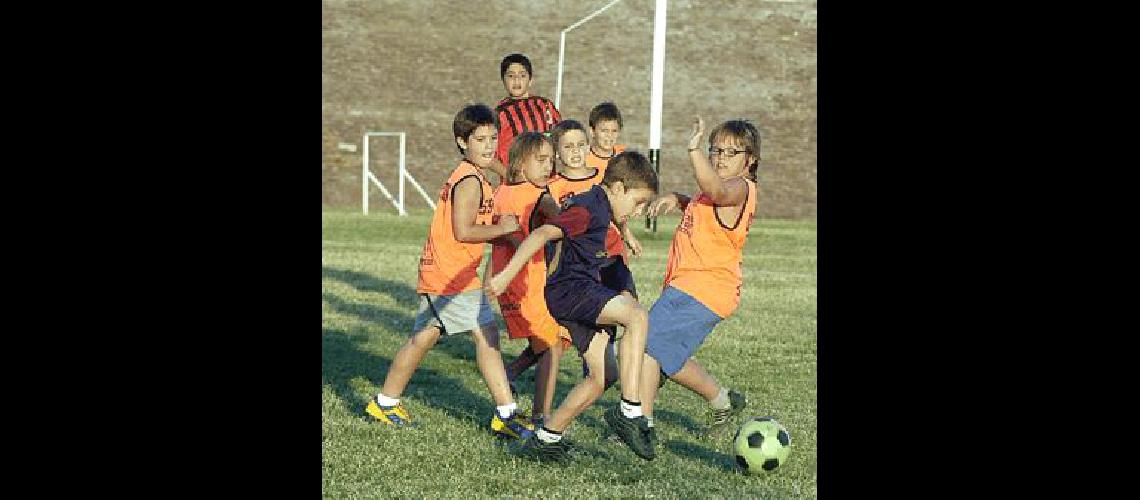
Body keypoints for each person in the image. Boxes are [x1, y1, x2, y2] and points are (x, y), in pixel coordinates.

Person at [365, 103, 534, 442]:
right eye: (480, 139)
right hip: (452, 275)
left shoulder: (473, 173)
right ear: (461, 142)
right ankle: (506, 414)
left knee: (421, 339)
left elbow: (501, 176)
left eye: (492, 138)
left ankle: (384, 402)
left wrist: (505, 173)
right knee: (487, 337)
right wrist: (503, 228)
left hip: (441, 271)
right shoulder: (469, 181)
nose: (488, 146)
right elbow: (464, 231)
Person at [486, 151, 659, 462]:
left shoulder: (602, 203)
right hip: (571, 291)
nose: (638, 211)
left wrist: (626, 231)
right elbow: (541, 233)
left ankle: (546, 438)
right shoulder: (589, 208)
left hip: (580, 290)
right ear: (618, 188)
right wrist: (505, 277)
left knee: (602, 376)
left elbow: (617, 218)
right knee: (636, 317)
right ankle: (630, 411)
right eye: (638, 203)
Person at [637, 116, 760, 440]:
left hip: (703, 289)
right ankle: (723, 400)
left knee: (647, 346)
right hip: (690, 287)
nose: (719, 157)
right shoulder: (715, 192)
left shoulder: (739, 188)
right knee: (666, 352)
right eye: (714, 150)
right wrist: (678, 199)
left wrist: (694, 151)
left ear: (750, 161)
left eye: (730, 152)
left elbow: (716, 190)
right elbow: (707, 205)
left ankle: (640, 425)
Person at [489, 131, 568, 427]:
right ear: (521, 163)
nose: (549, 166)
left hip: (509, 285)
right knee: (551, 346)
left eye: (551, 160)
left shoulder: (500, 193)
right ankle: (540, 417)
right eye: (541, 160)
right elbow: (566, 225)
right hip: (529, 284)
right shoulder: (539, 197)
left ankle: (509, 374)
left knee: (549, 342)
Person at [493, 53, 562, 168]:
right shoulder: (499, 115)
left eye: (522, 75)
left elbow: (560, 138)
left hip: (548, 180)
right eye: (511, 76)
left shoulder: (545, 106)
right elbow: (490, 158)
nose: (516, 80)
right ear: (503, 80)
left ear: (530, 80)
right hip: (516, 183)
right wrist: (510, 176)